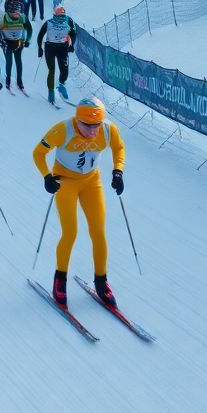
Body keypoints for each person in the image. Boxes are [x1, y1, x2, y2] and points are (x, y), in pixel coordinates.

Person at [32, 96, 126, 309]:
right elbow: (38, 153)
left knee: (99, 232)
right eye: (88, 126)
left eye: (97, 125)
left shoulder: (108, 130)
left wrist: (118, 172)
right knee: (70, 232)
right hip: (65, 182)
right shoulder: (62, 130)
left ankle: (101, 281)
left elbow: (119, 148)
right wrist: (47, 176)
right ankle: (60, 280)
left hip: (91, 181)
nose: (93, 131)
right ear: (77, 120)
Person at [37, 6, 77, 104]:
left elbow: (73, 33)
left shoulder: (69, 21)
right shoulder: (49, 22)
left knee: (64, 69)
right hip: (50, 48)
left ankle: (61, 84)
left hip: (62, 48)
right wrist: (40, 48)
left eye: (62, 15)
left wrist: (72, 45)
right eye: (59, 15)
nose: (61, 17)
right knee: (52, 70)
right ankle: (51, 92)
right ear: (54, 15)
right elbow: (40, 35)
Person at [0, 0, 33, 90]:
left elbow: (29, 29)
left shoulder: (23, 17)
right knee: (9, 62)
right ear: (10, 12)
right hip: (7, 43)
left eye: (19, 12)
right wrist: (2, 43)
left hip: (18, 42)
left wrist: (28, 40)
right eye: (16, 13)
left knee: (18, 61)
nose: (18, 15)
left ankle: (19, 81)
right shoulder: (4, 18)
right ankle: (8, 79)